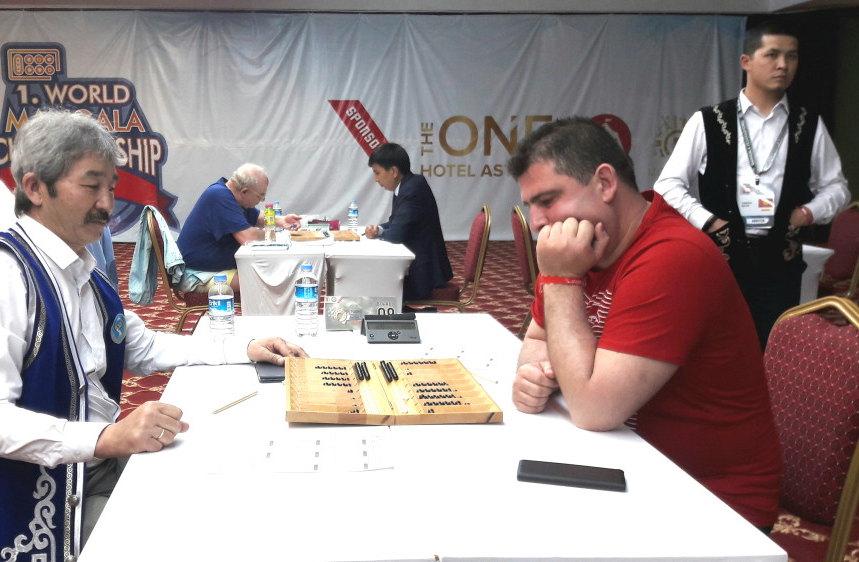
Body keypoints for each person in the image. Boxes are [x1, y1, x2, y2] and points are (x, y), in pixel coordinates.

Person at [0, 109, 307, 561]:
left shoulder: (81, 270)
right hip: (35, 505)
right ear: (34, 188)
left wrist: (243, 347)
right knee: (203, 538)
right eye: (91, 186)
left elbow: (141, 345)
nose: (107, 205)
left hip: (93, 466)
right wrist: (107, 439)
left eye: (111, 188)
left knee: (236, 491)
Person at [509, 117, 781, 531]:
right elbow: (536, 339)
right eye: (530, 205)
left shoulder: (672, 256)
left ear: (605, 183)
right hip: (625, 465)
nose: (537, 222)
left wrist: (561, 280)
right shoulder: (583, 247)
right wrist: (536, 374)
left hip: (710, 505)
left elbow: (593, 409)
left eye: (547, 200)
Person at [653, 20, 849, 349]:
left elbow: (837, 188)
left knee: (773, 347)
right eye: (772, 55)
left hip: (781, 261)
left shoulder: (808, 125)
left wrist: (807, 213)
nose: (783, 64)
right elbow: (668, 185)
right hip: (720, 257)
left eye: (791, 56)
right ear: (746, 61)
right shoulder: (709, 120)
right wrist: (709, 222)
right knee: (716, 345)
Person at [176, 163, 302, 292]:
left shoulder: (232, 195)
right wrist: (277, 236)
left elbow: (257, 217)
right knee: (269, 280)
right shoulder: (219, 196)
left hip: (210, 270)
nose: (262, 200)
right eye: (261, 196)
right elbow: (248, 238)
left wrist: (282, 221)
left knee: (272, 274)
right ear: (245, 191)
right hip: (198, 275)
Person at [364, 143, 453, 301]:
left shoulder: (412, 190)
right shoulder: (408, 184)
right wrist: (379, 229)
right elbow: (395, 221)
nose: (375, 179)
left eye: (377, 173)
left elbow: (395, 236)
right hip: (417, 265)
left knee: (369, 283)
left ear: (393, 171)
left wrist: (381, 235)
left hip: (422, 276)